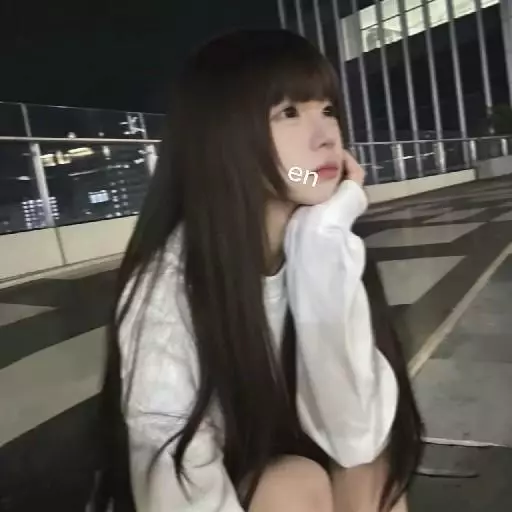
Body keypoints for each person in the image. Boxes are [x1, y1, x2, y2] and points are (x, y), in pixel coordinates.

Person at [91, 28, 424, 512]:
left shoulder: (328, 245)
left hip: (302, 463)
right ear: (226, 137)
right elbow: (174, 474)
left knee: (370, 469)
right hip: (231, 492)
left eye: (328, 109)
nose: (326, 136)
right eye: (289, 113)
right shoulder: (169, 285)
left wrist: (322, 242)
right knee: (292, 484)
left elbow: (356, 436)